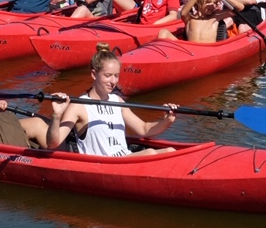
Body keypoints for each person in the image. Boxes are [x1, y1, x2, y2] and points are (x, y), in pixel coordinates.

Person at [47, 46, 178, 157]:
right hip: (103, 163)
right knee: (149, 153)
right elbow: (53, 143)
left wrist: (167, 121)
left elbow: (144, 129)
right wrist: (57, 115)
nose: (113, 82)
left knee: (170, 151)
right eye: (108, 75)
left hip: (125, 158)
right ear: (94, 74)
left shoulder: (118, 101)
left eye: (116, 76)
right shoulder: (79, 106)